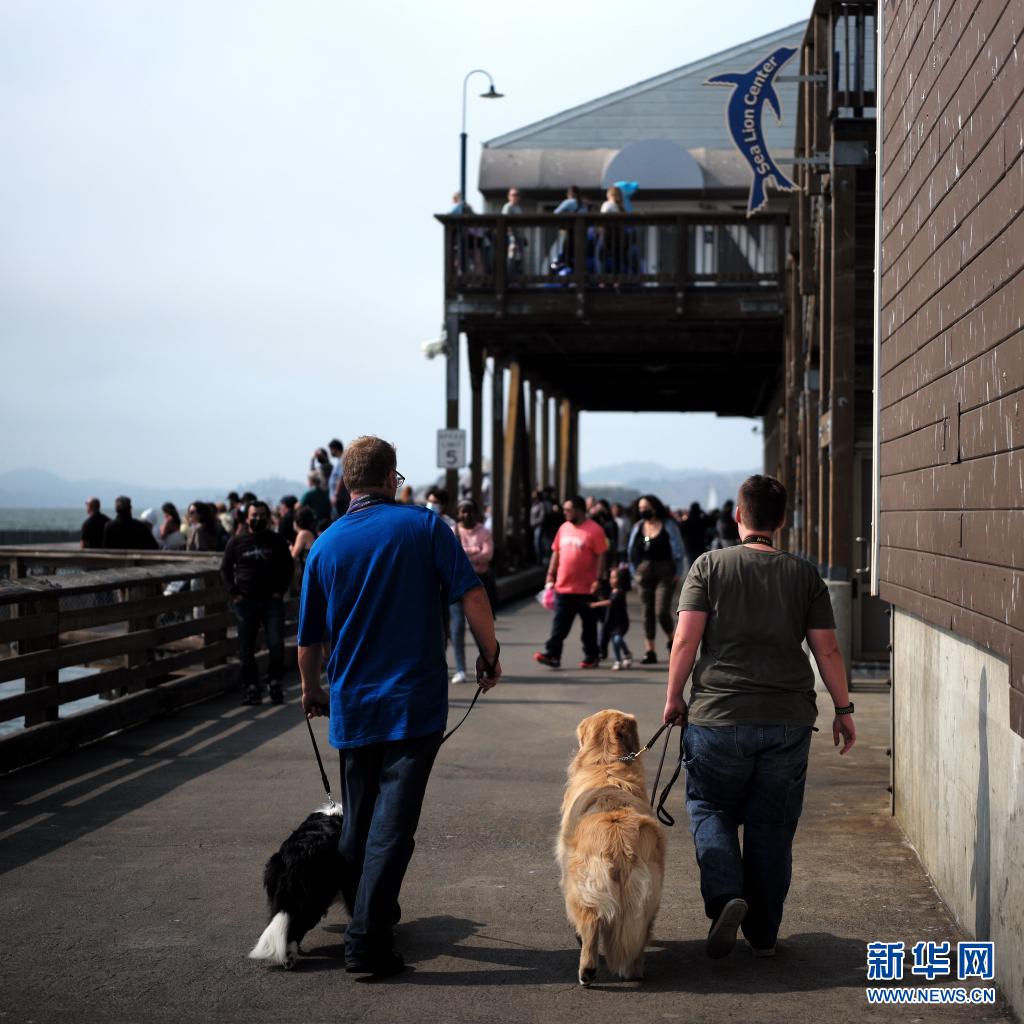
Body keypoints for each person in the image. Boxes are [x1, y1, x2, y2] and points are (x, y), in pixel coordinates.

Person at [298, 435, 501, 977]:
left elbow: (308, 640)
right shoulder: (425, 526)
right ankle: (366, 939)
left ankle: (376, 912)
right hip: (413, 701)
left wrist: (311, 689)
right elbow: (472, 594)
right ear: (393, 479)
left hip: (352, 704)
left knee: (358, 822)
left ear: (345, 483)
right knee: (394, 823)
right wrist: (489, 653)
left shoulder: (324, 545)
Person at [662, 474, 855, 960]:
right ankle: (765, 932)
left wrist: (674, 697)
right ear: (783, 520)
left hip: (717, 716)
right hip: (787, 719)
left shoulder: (709, 566)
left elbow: (685, 640)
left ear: (737, 517)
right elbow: (826, 649)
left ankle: (728, 897)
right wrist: (844, 708)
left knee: (711, 807)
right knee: (772, 824)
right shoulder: (803, 573)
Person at [220, 500, 294, 706]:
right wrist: (234, 593)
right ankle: (251, 688)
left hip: (272, 601)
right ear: (247, 517)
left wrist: (280, 591)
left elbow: (289, 567)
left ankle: (274, 683)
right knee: (246, 648)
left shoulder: (277, 541)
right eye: (254, 515)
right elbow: (225, 568)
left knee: (276, 645)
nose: (258, 519)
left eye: (262, 515)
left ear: (268, 517)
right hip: (245, 602)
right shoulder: (237, 542)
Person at [534, 496, 608, 669]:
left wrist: (598, 579)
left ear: (580, 510)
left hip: (587, 589)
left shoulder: (595, 530)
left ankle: (591, 656)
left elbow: (601, 556)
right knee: (559, 625)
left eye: (568, 510)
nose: (565, 513)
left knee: (589, 626)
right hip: (563, 587)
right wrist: (550, 574)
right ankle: (553, 655)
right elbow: (556, 552)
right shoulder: (563, 528)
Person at [627, 494, 684, 664]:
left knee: (661, 611)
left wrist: (678, 572)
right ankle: (649, 650)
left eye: (646, 508)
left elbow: (679, 551)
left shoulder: (669, 526)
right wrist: (634, 573)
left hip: (665, 572)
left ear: (655, 507)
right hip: (644, 573)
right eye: (640, 509)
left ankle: (672, 641)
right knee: (647, 612)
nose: (643, 511)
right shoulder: (638, 527)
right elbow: (631, 553)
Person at [449, 498, 496, 684]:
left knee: (480, 627)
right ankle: (460, 668)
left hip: (479, 582)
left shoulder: (484, 531)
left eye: (469, 510)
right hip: (457, 585)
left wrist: (466, 554)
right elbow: (452, 556)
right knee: (457, 627)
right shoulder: (452, 531)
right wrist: (476, 554)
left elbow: (488, 554)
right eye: (462, 511)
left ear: (475, 513)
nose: (466, 514)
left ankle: (487, 663)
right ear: (457, 513)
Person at [589, 565, 632, 670]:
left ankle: (626, 653)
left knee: (617, 640)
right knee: (614, 641)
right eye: (611, 577)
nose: (611, 580)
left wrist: (595, 604)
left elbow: (610, 602)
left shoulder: (620, 592)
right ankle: (618, 660)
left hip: (621, 622)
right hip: (612, 621)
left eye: (614, 577)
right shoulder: (612, 591)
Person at [679, 501, 709, 572]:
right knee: (702, 568)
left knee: (691, 568)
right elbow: (711, 521)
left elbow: (681, 533)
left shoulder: (685, 522)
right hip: (700, 546)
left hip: (689, 547)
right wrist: (703, 512)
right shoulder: (702, 521)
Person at [290, 506, 317, 582]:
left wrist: (290, 548)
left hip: (309, 574)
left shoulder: (303, 534)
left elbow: (293, 556)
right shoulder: (310, 532)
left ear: (297, 521)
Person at [328, 439, 350, 518]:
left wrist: (336, 495)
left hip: (340, 499)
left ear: (335, 449)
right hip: (338, 499)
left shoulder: (342, 460)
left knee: (338, 518)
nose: (330, 452)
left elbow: (341, 477)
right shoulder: (339, 460)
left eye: (331, 450)